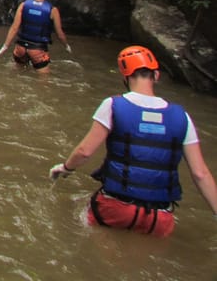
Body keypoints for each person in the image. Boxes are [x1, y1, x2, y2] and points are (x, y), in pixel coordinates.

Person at [49, 45, 217, 237]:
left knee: (81, 229)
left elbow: (84, 151)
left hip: (115, 207)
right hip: (159, 217)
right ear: (156, 75)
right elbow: (200, 173)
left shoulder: (113, 105)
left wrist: (66, 168)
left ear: (125, 76)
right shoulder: (182, 116)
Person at [0, 0, 70, 73]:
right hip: (38, 50)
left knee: (17, 74)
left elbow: (14, 28)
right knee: (44, 83)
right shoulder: (53, 10)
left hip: (20, 48)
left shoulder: (23, 5)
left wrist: (5, 46)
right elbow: (60, 34)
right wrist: (66, 46)